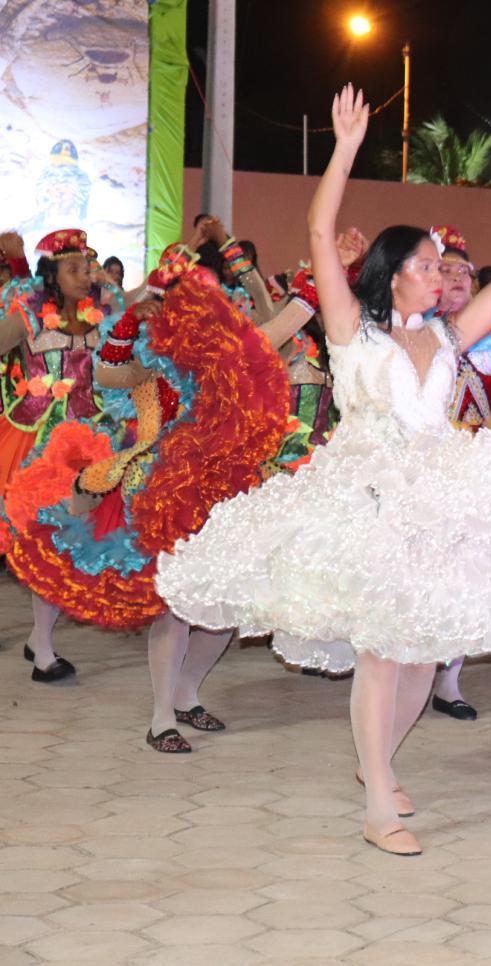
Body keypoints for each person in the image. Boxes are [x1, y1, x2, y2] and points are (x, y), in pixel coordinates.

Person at [156, 86, 491, 856]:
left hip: (442, 497)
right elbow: (320, 227)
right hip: (370, 496)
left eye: (441, 264)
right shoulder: (353, 330)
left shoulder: (450, 337)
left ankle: (381, 764)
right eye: (426, 263)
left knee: (425, 645)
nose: (440, 271)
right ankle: (377, 796)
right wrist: (345, 144)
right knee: (384, 648)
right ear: (394, 274)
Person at [2, 253, 297, 752]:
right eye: (182, 306)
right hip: (162, 492)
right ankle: (162, 718)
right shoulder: (152, 362)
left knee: (225, 608)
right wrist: (133, 319)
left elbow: (283, 330)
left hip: (225, 491)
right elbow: (109, 375)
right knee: (176, 608)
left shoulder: (233, 356)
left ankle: (187, 693)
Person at [0, 228, 125, 682]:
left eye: (87, 266)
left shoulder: (101, 316)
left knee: (68, 542)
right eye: (73, 268)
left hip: (88, 444)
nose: (84, 274)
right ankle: (45, 650)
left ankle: (39, 640)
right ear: (50, 275)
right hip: (35, 444)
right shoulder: (27, 315)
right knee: (43, 540)